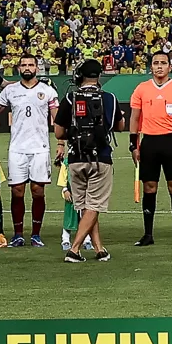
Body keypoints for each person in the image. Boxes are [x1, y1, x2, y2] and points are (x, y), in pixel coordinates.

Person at [128, 47, 172, 246]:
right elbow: (135, 118)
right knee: (150, 187)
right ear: (151, 67)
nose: (159, 66)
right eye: (156, 63)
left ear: (170, 67)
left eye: (163, 63)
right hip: (149, 143)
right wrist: (133, 145)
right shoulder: (142, 88)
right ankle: (148, 234)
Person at [56, 58, 118, 262]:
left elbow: (58, 132)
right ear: (99, 76)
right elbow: (119, 125)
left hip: (75, 158)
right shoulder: (109, 98)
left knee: (86, 206)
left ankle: (100, 249)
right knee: (94, 205)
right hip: (100, 157)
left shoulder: (70, 98)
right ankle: (75, 249)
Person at [0, 56, 60, 247]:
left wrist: (61, 143)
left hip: (40, 148)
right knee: (17, 191)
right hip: (17, 148)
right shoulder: (10, 90)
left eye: (30, 65)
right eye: (23, 65)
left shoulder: (47, 90)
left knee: (37, 191)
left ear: (36, 68)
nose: (27, 68)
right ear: (18, 68)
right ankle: (17, 234)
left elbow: (57, 119)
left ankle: (35, 234)